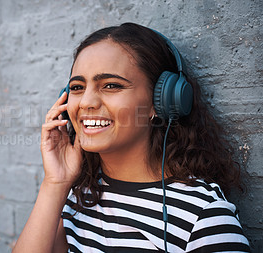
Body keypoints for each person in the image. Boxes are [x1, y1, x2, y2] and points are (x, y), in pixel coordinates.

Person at [13, 22, 250, 252]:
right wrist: (55, 183)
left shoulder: (202, 215)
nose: (86, 102)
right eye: (77, 87)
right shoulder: (79, 197)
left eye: (111, 85)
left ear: (161, 102)